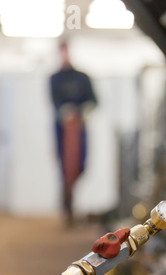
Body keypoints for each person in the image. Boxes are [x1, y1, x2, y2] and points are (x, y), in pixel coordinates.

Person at [50, 40, 97, 227]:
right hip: (62, 131)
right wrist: (65, 112)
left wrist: (82, 112)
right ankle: (67, 207)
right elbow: (54, 103)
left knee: (80, 166)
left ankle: (70, 202)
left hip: (80, 129)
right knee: (64, 168)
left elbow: (94, 100)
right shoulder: (54, 79)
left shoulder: (82, 78)